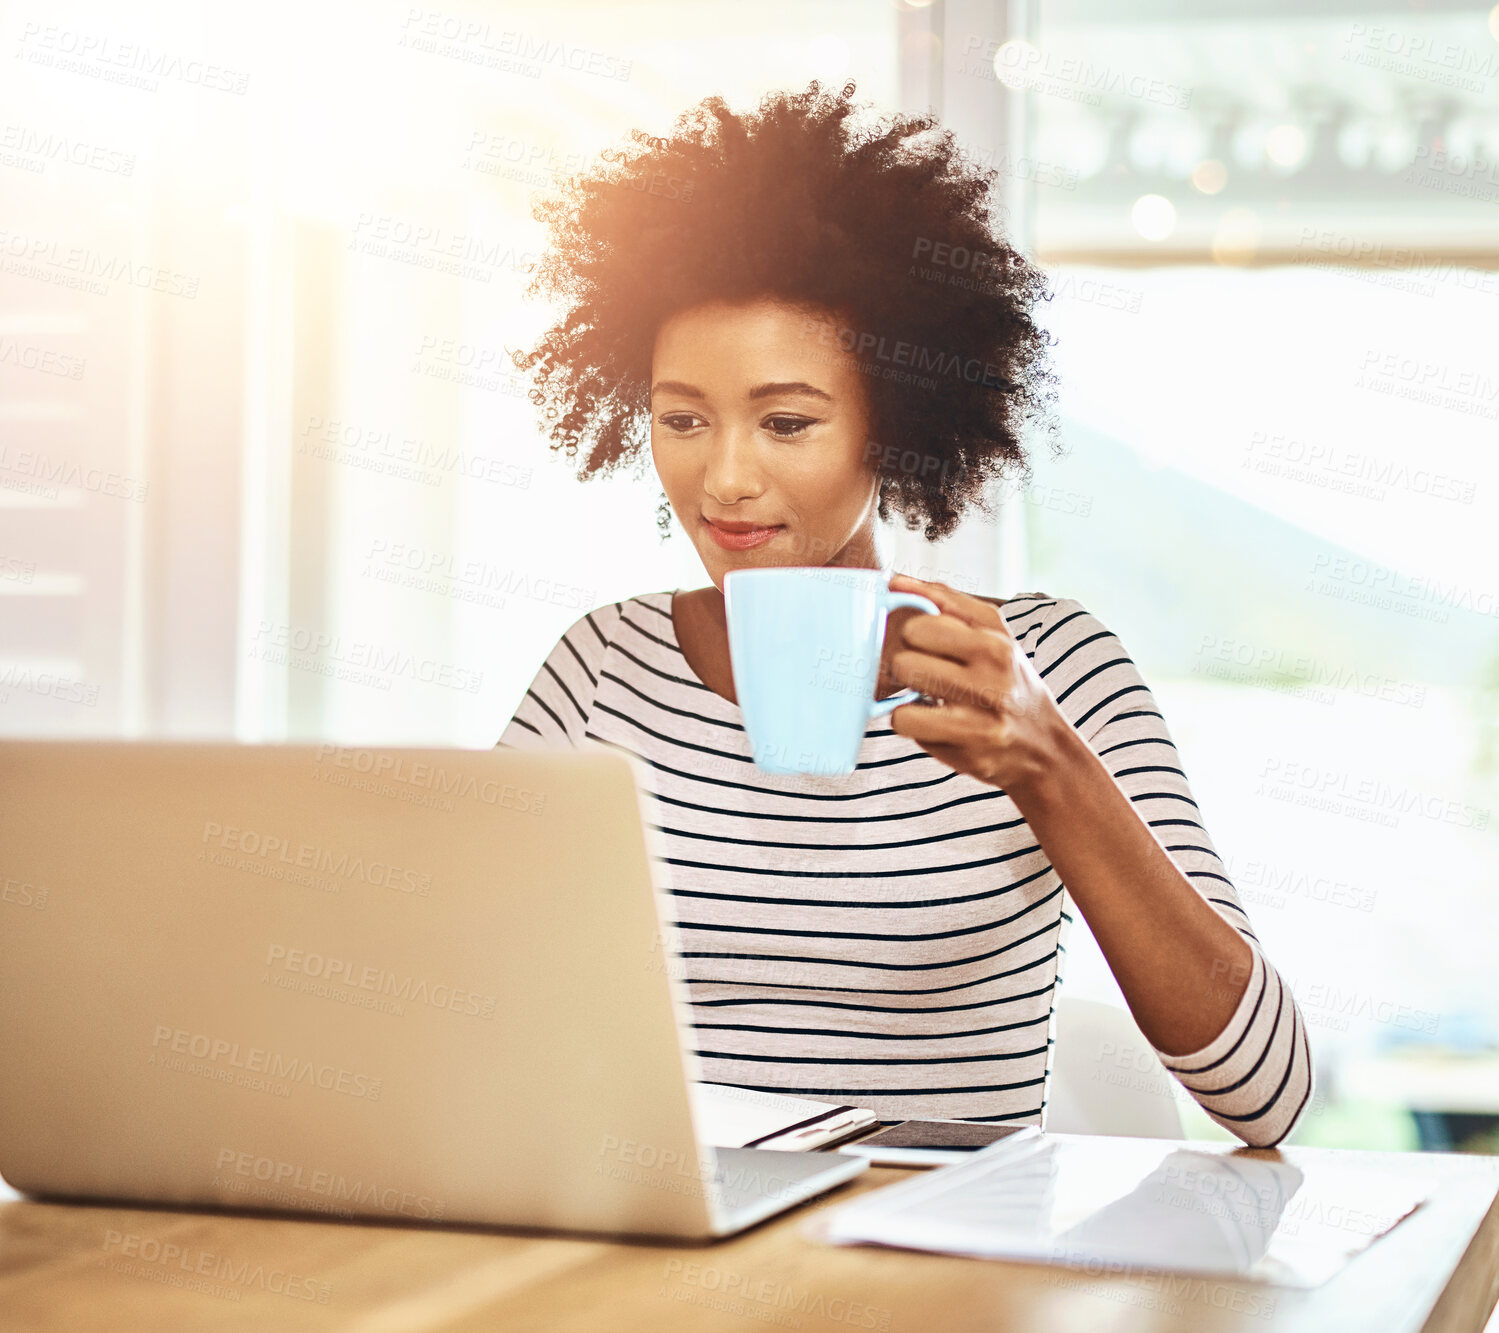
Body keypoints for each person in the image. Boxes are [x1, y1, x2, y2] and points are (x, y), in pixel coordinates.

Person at [497, 81, 1312, 1147]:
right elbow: (452, 998)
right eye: (682, 418)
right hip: (668, 1267)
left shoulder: (1052, 662)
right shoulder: (603, 666)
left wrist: (1047, 765)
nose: (723, 477)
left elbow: (1266, 1095)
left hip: (943, 1275)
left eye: (786, 422)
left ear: (897, 425)